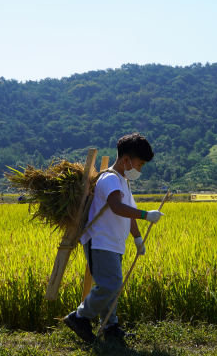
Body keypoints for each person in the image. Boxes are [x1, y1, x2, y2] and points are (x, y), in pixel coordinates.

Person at [63, 133, 164, 343]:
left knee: (114, 285)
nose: (140, 169)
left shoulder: (123, 181)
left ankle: (110, 326)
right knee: (111, 283)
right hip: (100, 241)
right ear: (126, 160)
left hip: (114, 243)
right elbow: (118, 207)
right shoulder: (110, 179)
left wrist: (137, 238)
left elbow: (129, 211)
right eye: (140, 164)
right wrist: (146, 215)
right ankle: (79, 317)